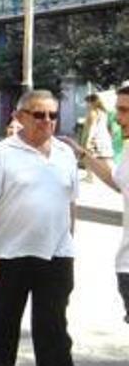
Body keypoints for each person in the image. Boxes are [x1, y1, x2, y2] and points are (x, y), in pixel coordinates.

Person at [0, 90, 78, 366]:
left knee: (54, 332)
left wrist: (70, 241)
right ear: (20, 117)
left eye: (52, 115)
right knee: (3, 332)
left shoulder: (66, 153)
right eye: (39, 114)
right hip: (9, 256)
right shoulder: (1, 153)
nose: (47, 120)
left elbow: (71, 203)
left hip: (56, 256)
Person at [59, 84, 129, 324]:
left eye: (125, 111)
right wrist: (81, 154)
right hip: (126, 265)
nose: (118, 119)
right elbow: (118, 182)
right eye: (118, 111)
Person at [81, 93, 114, 181]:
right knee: (104, 159)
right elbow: (107, 126)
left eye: (87, 102)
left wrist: (88, 140)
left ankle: (90, 176)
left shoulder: (93, 113)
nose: (85, 104)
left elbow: (92, 127)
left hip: (95, 139)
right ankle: (110, 176)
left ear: (91, 102)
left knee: (87, 157)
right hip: (104, 137)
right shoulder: (103, 112)